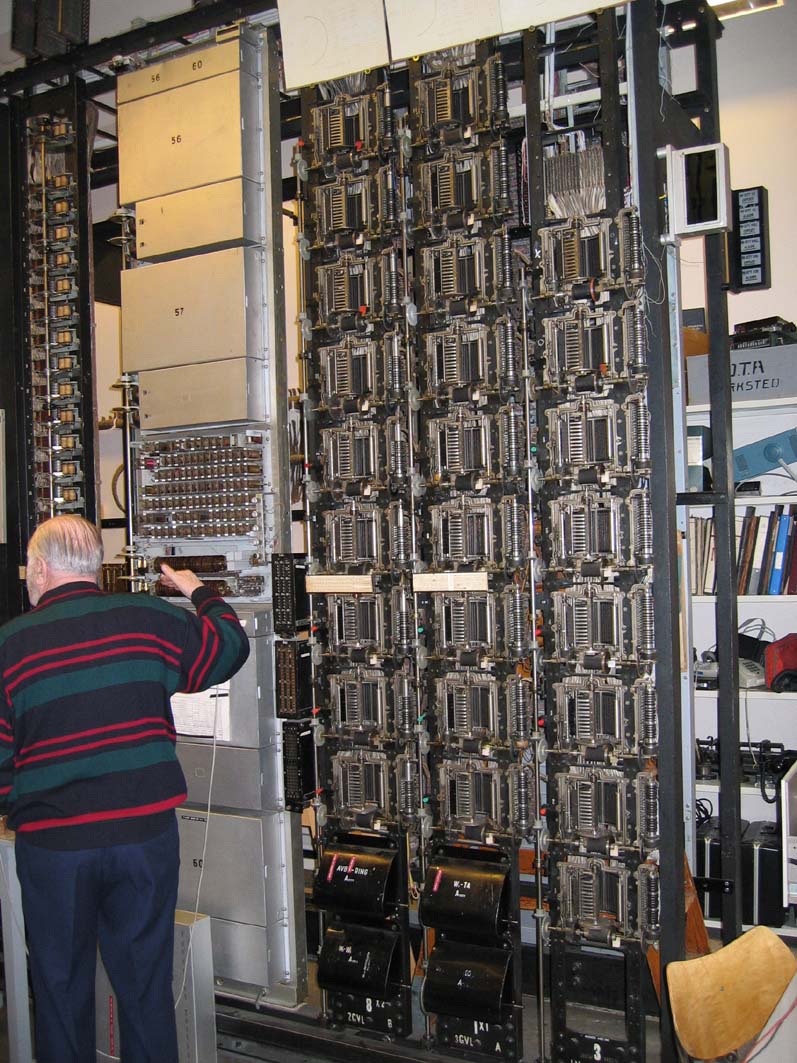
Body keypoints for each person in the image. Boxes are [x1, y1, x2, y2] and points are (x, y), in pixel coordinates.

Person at [0, 514, 250, 1063]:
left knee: (60, 994)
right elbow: (230, 647)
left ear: (39, 570)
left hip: (55, 849)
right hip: (144, 840)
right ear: (94, 567)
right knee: (145, 992)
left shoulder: (10, 645)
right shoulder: (149, 619)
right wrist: (199, 591)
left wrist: (22, 802)